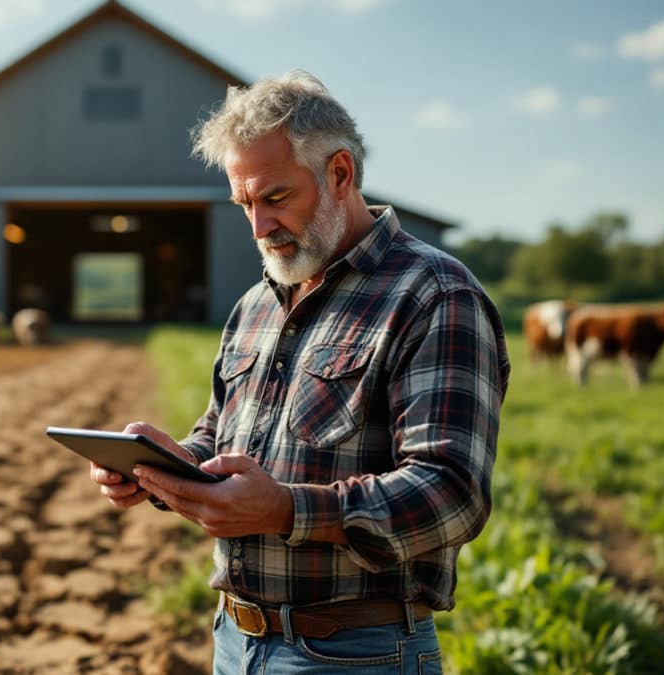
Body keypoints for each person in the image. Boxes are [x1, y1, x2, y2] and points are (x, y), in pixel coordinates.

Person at [89, 71, 509, 673]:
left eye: (276, 198)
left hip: (354, 653)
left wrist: (286, 509)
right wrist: (164, 468)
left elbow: (451, 494)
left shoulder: (433, 294)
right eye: (245, 204)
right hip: (234, 641)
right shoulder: (258, 302)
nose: (258, 226)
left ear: (340, 174)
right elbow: (221, 434)